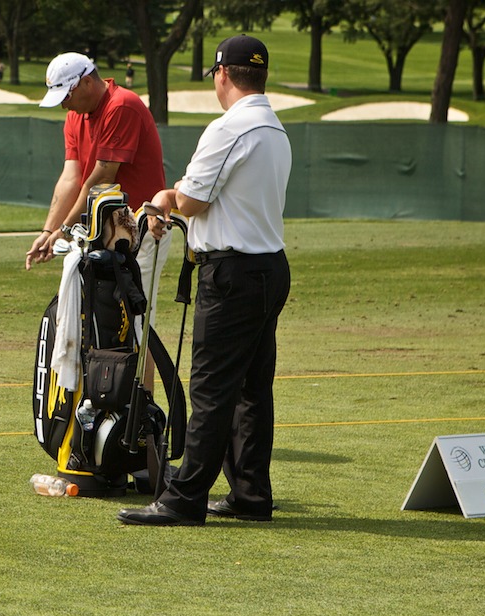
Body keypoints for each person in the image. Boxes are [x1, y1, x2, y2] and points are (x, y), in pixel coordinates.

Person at [117, 34, 292, 526]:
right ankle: (250, 495)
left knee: (213, 389)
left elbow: (192, 201)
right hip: (269, 267)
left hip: (232, 273)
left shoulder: (228, 128)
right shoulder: (275, 127)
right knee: (252, 389)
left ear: (221, 74)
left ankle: (184, 498)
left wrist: (162, 198)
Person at [26, 52, 172, 386]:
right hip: (101, 231)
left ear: (87, 82)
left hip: (140, 229)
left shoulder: (122, 106)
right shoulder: (76, 115)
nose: (64, 106)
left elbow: (102, 177)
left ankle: (140, 418)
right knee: (100, 320)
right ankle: (110, 409)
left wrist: (64, 228)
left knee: (135, 325)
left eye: (66, 97)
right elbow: (70, 177)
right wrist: (50, 230)